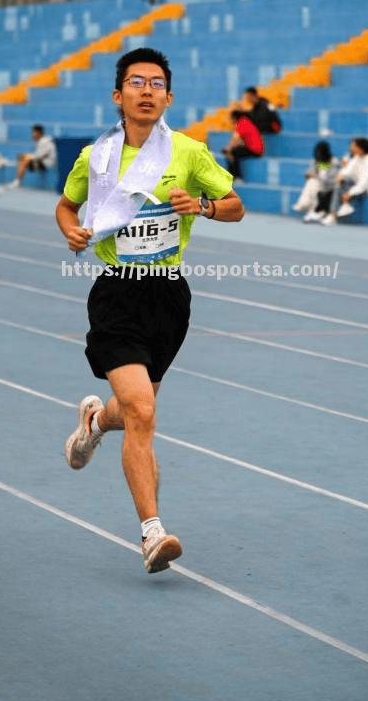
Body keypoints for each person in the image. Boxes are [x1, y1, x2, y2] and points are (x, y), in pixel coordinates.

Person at [55, 47, 244, 574]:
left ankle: (94, 421)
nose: (146, 90)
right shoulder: (97, 159)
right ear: (119, 96)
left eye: (156, 83)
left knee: (131, 408)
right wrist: (68, 228)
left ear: (168, 96)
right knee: (143, 411)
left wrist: (202, 206)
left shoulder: (188, 152)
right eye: (136, 82)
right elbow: (68, 205)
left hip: (168, 297)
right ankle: (152, 532)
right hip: (117, 293)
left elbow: (235, 206)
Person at [321, 137, 368, 226]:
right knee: (339, 184)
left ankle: (334, 213)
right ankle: (336, 211)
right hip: (356, 184)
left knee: (338, 188)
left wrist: (350, 193)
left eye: (353, 146)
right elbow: (348, 170)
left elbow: (363, 185)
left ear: (360, 148)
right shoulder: (358, 156)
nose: (350, 148)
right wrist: (341, 176)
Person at [292, 140, 340, 221]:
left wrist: (316, 176)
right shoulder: (317, 160)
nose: (318, 154)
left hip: (330, 186)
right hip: (318, 184)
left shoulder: (334, 161)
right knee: (311, 183)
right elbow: (311, 172)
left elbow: (331, 179)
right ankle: (310, 208)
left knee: (313, 183)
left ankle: (304, 204)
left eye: (320, 152)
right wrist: (309, 175)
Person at [6, 124, 57, 189]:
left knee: (25, 160)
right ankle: (17, 181)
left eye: (33, 132)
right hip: (42, 162)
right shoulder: (42, 141)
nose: (32, 135)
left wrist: (26, 156)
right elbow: (38, 155)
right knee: (23, 158)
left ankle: (17, 181)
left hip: (47, 164)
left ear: (38, 132)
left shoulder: (45, 142)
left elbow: (39, 156)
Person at [222, 109, 264, 181]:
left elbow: (235, 139)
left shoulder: (242, 123)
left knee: (232, 153)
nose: (231, 121)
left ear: (234, 118)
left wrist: (228, 149)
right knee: (234, 151)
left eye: (231, 119)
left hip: (255, 150)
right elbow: (240, 141)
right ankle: (232, 176)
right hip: (254, 148)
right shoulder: (245, 121)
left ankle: (237, 177)